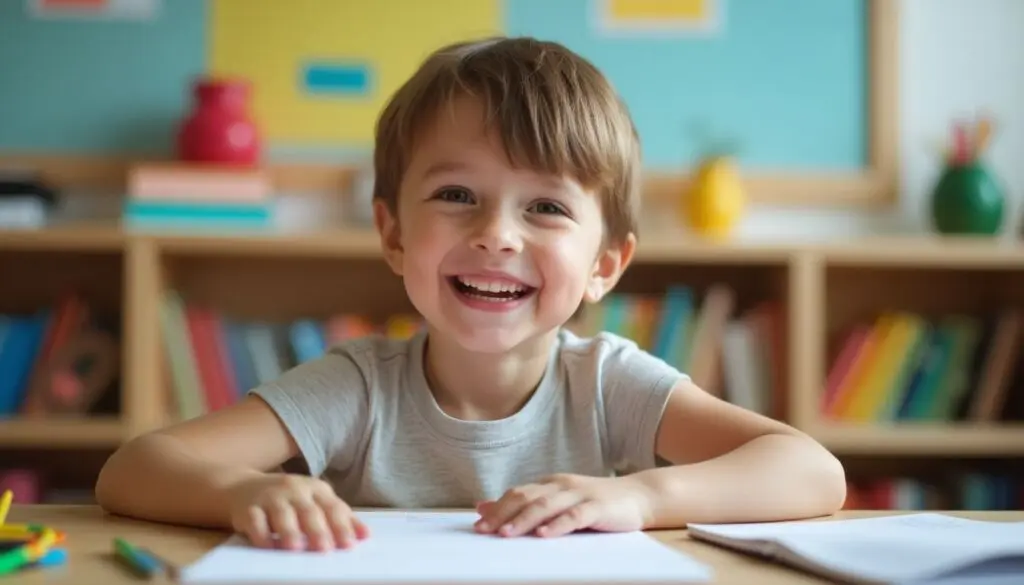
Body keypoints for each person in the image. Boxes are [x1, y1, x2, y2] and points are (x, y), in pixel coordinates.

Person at [95, 36, 846, 552]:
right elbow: (134, 467)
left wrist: (642, 498)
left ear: (605, 265)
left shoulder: (608, 381)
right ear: (392, 234)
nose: (497, 235)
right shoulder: (355, 387)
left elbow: (812, 470)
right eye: (457, 193)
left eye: (545, 207)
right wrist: (236, 494)